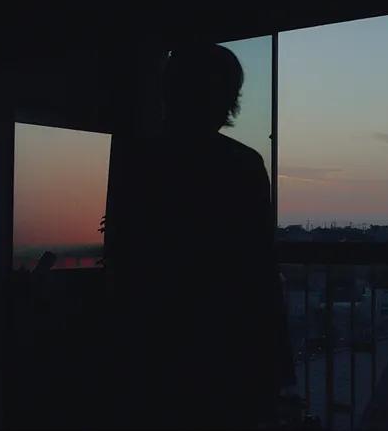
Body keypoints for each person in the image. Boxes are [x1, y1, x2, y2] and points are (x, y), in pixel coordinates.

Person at [108, 43, 290, 429]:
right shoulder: (242, 164)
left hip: (154, 343)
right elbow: (258, 267)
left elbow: (124, 255)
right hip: (227, 344)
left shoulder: (138, 161)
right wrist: (271, 359)